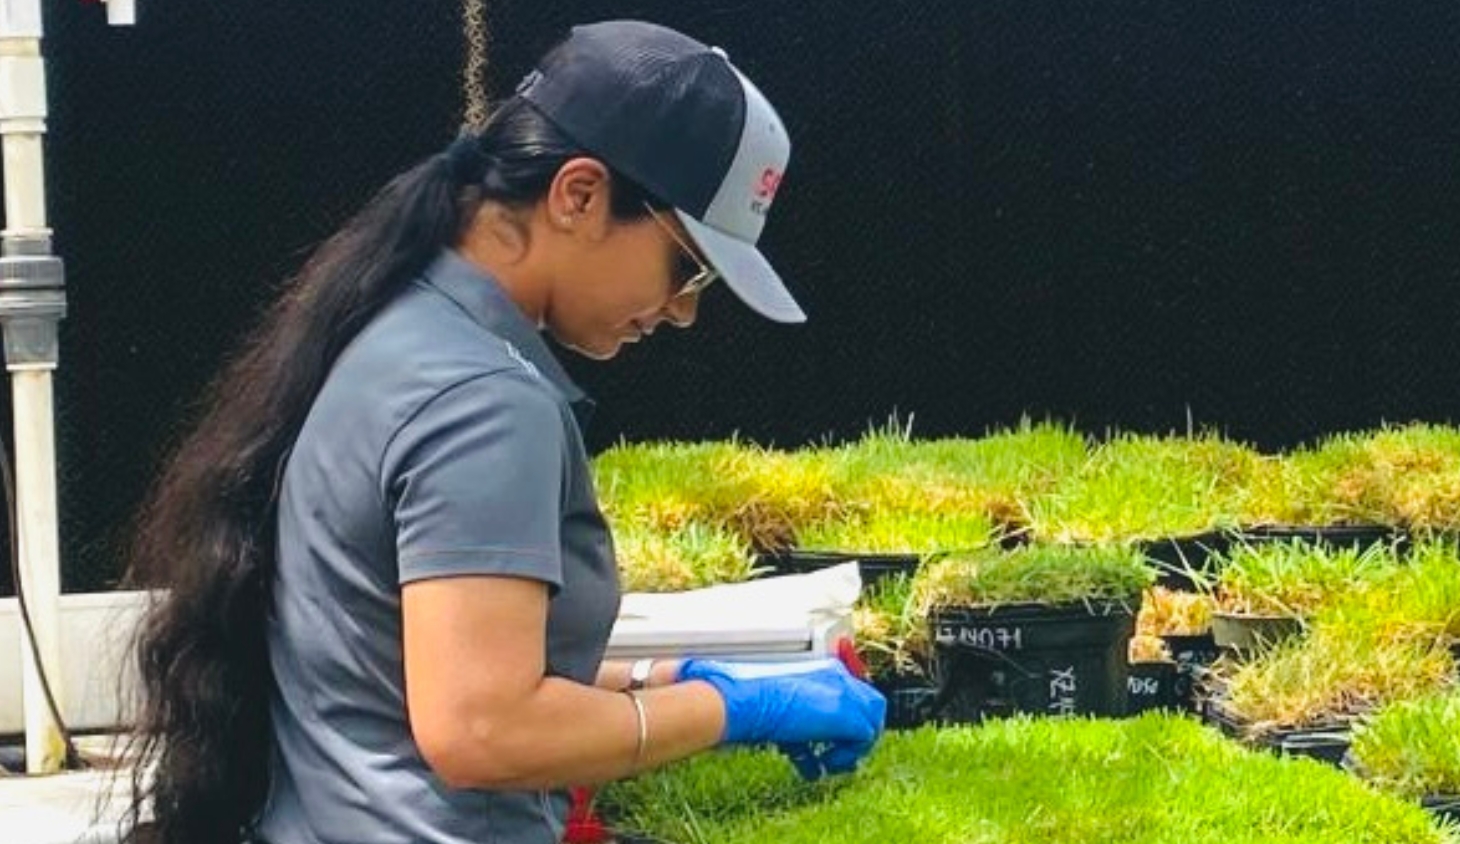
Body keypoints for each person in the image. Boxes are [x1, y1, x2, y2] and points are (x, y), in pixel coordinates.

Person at [120, 19, 886, 844]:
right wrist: (731, 708)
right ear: (580, 195)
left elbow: (418, 655)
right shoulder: (484, 402)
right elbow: (482, 728)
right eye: (689, 265)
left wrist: (672, 676)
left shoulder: (394, 331)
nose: (685, 311)